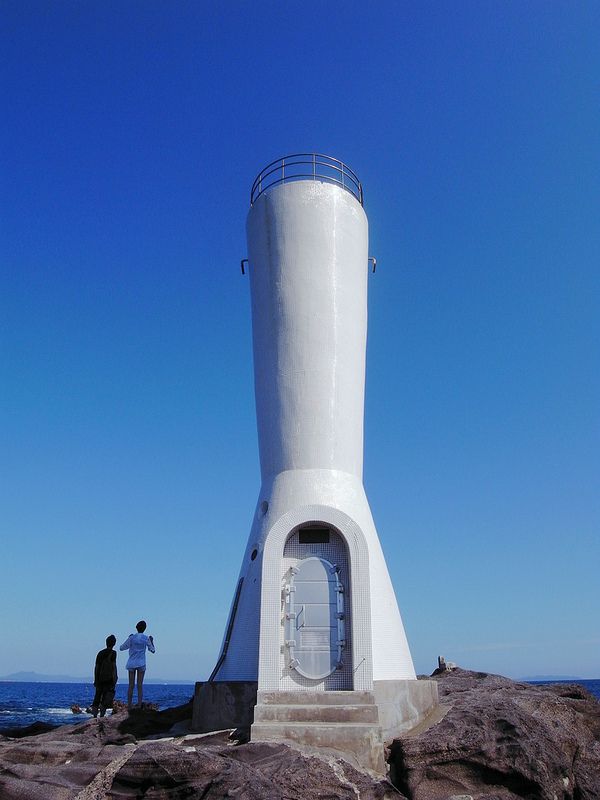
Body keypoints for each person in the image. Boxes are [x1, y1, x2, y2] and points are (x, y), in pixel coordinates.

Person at [119, 620, 155, 709]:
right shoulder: (146, 638)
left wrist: (128, 638)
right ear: (145, 628)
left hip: (131, 663)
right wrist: (152, 641)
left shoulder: (132, 638)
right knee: (139, 685)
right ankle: (139, 705)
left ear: (136, 627)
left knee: (131, 685)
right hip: (141, 663)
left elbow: (121, 648)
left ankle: (130, 705)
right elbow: (152, 650)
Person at [91, 634, 118, 718]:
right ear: (114, 643)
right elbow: (114, 666)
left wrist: (95, 679)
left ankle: (94, 716)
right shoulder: (113, 653)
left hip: (99, 679)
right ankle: (102, 716)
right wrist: (115, 678)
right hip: (109, 679)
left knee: (97, 697)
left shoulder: (100, 653)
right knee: (105, 698)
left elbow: (96, 667)